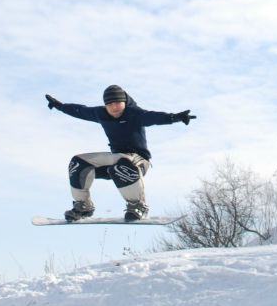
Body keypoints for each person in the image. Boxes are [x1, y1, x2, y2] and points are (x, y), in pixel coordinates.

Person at [44, 85, 195, 221]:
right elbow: (80, 111)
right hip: (115, 160)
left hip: (138, 161)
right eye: (109, 104)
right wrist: (59, 105)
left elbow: (153, 117)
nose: (114, 107)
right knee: (78, 162)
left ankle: (137, 205)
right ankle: (83, 206)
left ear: (124, 102)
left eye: (117, 103)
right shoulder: (100, 114)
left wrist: (175, 117)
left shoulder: (134, 114)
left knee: (122, 165)